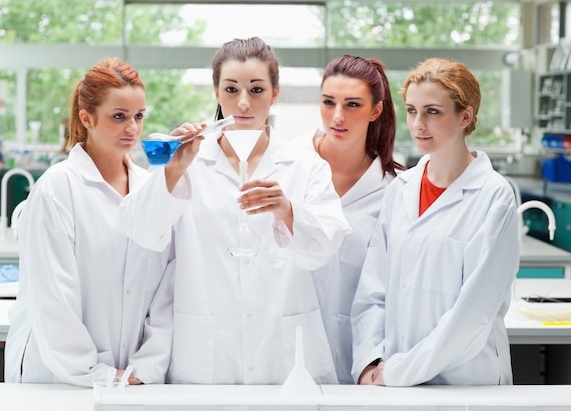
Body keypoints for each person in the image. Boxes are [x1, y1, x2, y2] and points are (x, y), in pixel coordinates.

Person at [120, 37, 351, 385]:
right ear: (216, 92)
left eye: (256, 90)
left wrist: (288, 211)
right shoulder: (191, 162)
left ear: (275, 93)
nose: (243, 103)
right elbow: (140, 230)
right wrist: (173, 169)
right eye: (231, 89)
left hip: (282, 356)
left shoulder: (304, 166)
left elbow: (326, 246)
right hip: (207, 356)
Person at [350, 57, 521, 387]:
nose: (418, 124)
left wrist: (398, 373)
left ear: (465, 116)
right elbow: (372, 290)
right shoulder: (400, 189)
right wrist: (370, 363)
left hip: (466, 383)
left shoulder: (493, 197)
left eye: (433, 111)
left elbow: (472, 314)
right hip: (395, 377)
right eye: (412, 110)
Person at [4, 57, 174, 387]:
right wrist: (98, 374)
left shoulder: (150, 189)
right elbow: (52, 301)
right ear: (87, 118)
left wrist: (146, 368)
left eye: (139, 116)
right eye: (119, 117)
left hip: (131, 378)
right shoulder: (57, 189)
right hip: (58, 376)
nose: (133, 129)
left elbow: (164, 293)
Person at [293, 55, 403, 384]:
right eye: (329, 102)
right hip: (289, 350)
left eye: (352, 105)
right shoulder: (288, 164)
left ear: (376, 110)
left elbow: (390, 286)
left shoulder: (394, 189)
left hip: (362, 359)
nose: (337, 117)